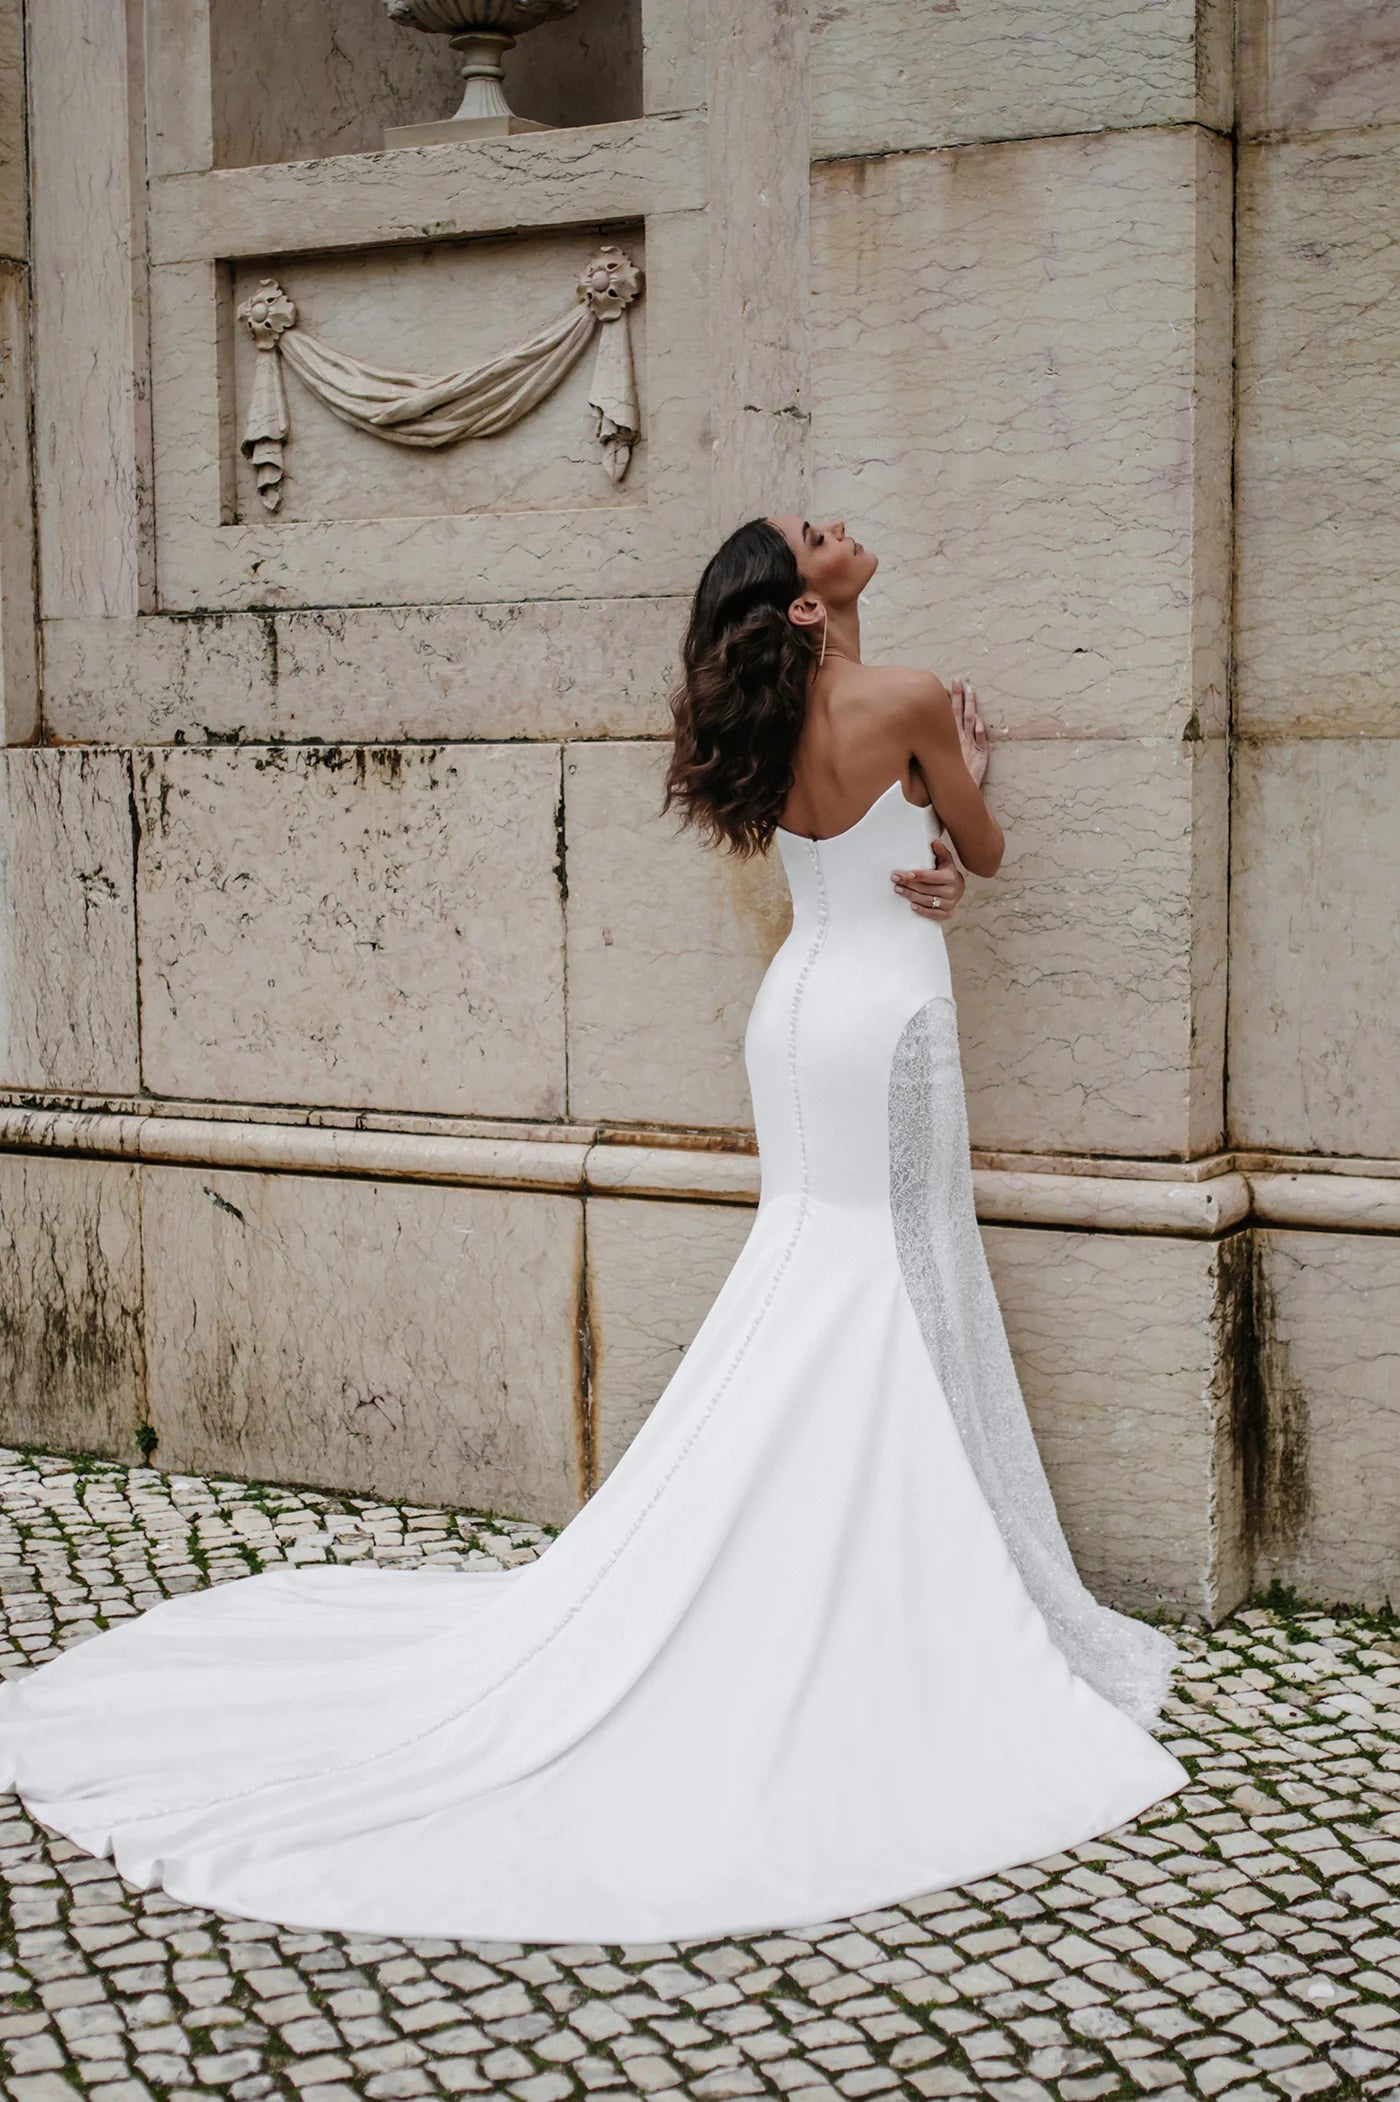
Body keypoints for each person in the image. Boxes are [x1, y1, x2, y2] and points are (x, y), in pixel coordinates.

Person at [0, 515, 1188, 1946]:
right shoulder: (915, 700)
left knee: (815, 1270)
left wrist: (917, 827)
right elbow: (980, 857)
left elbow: (857, 832)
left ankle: (796, 1549)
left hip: (796, 1016)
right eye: (815, 537)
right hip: (888, 1019)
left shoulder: (781, 715)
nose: (837, 530)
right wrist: (961, 797)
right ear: (806, 603)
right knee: (892, 1274)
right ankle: (895, 1589)